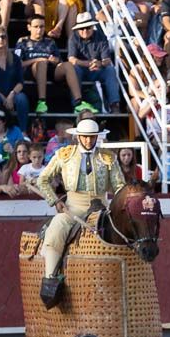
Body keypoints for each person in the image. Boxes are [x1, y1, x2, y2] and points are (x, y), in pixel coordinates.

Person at [35, 118, 125, 307]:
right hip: (73, 207)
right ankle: (50, 279)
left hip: (102, 208)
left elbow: (119, 187)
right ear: (78, 137)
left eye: (92, 137)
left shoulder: (108, 157)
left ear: (97, 137)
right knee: (57, 227)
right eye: (84, 137)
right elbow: (42, 179)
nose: (88, 141)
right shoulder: (64, 155)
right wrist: (55, 201)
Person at [67, 13, 121, 115]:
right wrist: (87, 64)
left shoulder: (101, 36)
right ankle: (76, 104)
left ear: (92, 27)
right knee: (74, 69)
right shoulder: (73, 37)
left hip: (97, 69)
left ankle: (114, 104)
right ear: (78, 29)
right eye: (81, 28)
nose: (85, 31)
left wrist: (99, 63)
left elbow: (107, 60)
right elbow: (71, 59)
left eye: (88, 28)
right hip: (81, 69)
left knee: (110, 70)